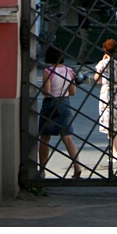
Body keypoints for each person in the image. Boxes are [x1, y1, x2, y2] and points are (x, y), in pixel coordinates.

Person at [38, 45, 82, 179]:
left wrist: (42, 87)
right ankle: (77, 167)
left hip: (51, 105)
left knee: (45, 138)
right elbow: (73, 92)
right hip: (65, 103)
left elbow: (47, 92)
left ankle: (42, 170)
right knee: (68, 138)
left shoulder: (48, 71)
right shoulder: (69, 71)